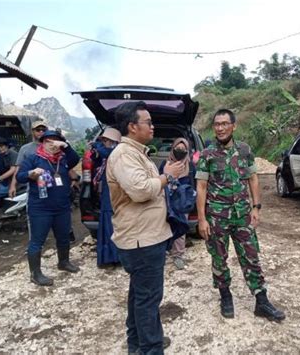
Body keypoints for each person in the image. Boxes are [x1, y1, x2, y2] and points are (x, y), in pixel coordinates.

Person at [106, 101, 184, 354]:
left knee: (140, 296)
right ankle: (151, 348)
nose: (152, 126)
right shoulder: (124, 155)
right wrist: (168, 175)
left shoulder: (137, 153)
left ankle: (137, 344)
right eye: (147, 122)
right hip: (142, 241)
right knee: (148, 300)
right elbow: (140, 191)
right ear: (132, 126)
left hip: (147, 238)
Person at [196, 108, 285, 322]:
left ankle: (261, 301)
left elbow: (253, 179)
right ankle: (225, 295)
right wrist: (202, 219)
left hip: (243, 215)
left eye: (225, 123)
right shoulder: (207, 154)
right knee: (219, 258)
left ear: (233, 126)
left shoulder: (245, 150)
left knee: (251, 256)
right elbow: (201, 186)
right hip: (217, 217)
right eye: (217, 124)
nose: (220, 128)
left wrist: (257, 207)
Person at [16, 130, 81, 286]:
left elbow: (75, 158)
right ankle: (35, 274)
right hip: (40, 208)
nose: (53, 145)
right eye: (49, 141)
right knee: (37, 241)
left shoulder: (64, 159)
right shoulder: (33, 158)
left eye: (56, 141)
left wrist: (65, 146)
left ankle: (63, 262)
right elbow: (20, 176)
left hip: (62, 207)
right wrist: (31, 173)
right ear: (43, 143)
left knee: (64, 236)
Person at [159, 138, 195, 270]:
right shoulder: (165, 164)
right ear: (173, 148)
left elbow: (194, 183)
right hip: (166, 200)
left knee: (181, 226)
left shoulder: (190, 166)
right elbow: (158, 180)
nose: (180, 151)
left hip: (182, 202)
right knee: (163, 226)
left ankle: (178, 255)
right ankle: (161, 252)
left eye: (183, 149)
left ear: (187, 151)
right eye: (177, 148)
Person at [92, 127, 121, 267]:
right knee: (108, 225)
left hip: (113, 194)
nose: (104, 142)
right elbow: (96, 159)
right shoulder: (105, 154)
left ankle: (114, 257)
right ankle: (109, 257)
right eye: (103, 140)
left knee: (112, 225)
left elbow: (105, 152)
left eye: (106, 140)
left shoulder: (116, 152)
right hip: (107, 194)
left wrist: (96, 145)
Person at [9, 120, 48, 198]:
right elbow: (18, 167)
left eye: (43, 130)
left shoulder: (52, 146)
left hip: (51, 185)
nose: (41, 132)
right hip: (31, 186)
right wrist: (13, 186)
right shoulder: (25, 148)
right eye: (38, 130)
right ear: (32, 131)